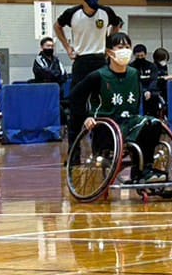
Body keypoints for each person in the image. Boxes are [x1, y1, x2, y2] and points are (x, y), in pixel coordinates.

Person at [71, 33, 167, 187]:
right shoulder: (98, 76)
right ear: (110, 52)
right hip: (107, 126)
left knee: (154, 123)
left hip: (130, 122)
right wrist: (86, 117)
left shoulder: (134, 74)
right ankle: (142, 171)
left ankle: (144, 170)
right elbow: (76, 96)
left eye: (128, 47)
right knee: (141, 126)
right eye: (120, 47)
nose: (125, 51)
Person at [55, 0, 124, 127]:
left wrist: (108, 44)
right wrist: (67, 48)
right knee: (77, 98)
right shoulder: (72, 13)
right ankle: (76, 137)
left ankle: (102, 133)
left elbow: (117, 23)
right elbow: (57, 26)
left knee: (103, 98)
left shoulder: (106, 12)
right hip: (81, 60)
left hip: (100, 60)